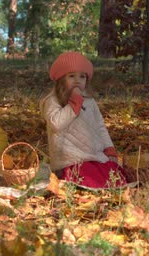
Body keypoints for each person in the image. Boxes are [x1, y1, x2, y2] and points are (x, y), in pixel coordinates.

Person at [40, 51, 127, 189]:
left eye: (82, 76)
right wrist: (73, 104)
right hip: (71, 159)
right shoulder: (53, 101)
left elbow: (100, 126)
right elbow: (56, 124)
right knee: (88, 179)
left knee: (115, 175)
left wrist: (108, 148)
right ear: (61, 79)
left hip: (95, 155)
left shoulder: (90, 101)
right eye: (71, 76)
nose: (77, 80)